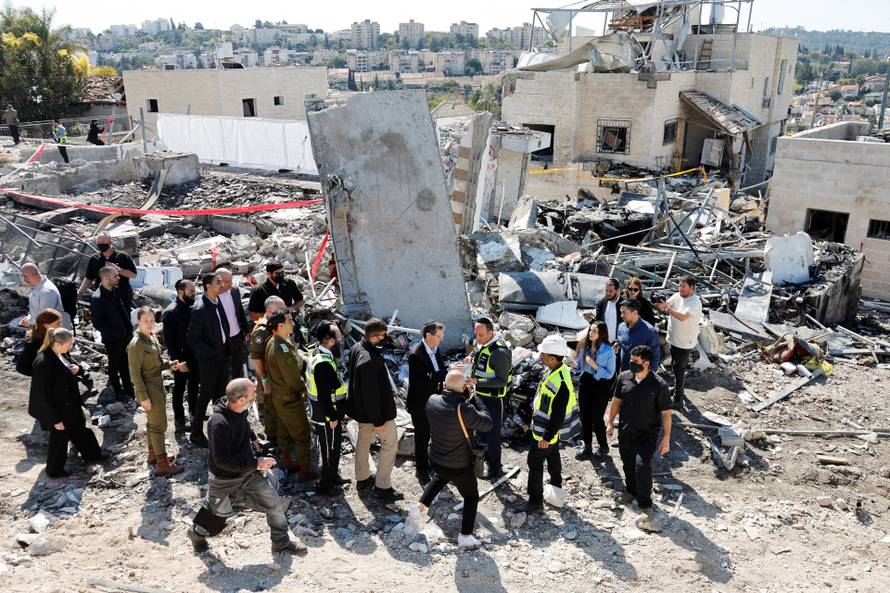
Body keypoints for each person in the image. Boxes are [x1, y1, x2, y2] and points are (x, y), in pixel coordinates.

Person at [187, 378, 306, 556]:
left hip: (248, 473)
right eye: (252, 396)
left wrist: (253, 438)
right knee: (216, 517)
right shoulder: (218, 423)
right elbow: (221, 460)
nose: (255, 398)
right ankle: (196, 535)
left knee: (273, 502)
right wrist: (256, 463)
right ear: (241, 400)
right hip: (224, 480)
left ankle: (281, 542)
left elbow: (244, 424)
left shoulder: (239, 409)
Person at [409, 369, 493, 549]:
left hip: (437, 458)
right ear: (464, 388)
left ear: (445, 386)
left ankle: (418, 509)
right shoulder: (465, 409)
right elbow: (487, 423)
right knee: (471, 497)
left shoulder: (431, 400)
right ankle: (465, 536)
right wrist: (475, 397)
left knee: (439, 478)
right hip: (459, 465)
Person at [606, 345, 671, 532]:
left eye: (636, 361)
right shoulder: (623, 377)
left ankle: (645, 504)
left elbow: (666, 414)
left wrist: (666, 438)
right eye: (631, 360)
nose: (631, 364)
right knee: (627, 463)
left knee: (642, 466)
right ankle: (631, 491)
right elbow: (616, 401)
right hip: (626, 430)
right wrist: (610, 422)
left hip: (648, 433)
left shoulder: (659, 385)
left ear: (646, 363)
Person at [28, 327, 105, 478]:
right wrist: (54, 419)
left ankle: (93, 456)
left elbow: (66, 372)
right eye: (69, 344)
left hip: (70, 405)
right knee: (59, 441)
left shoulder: (61, 354)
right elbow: (41, 395)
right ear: (57, 344)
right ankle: (54, 471)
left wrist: (77, 370)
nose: (71, 347)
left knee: (81, 431)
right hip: (58, 411)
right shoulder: (43, 362)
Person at [518, 335, 580, 514]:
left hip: (545, 432)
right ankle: (556, 486)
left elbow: (558, 415)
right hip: (547, 430)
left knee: (535, 461)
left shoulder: (559, 381)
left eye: (543, 354)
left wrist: (547, 437)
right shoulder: (556, 370)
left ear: (553, 358)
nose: (540, 357)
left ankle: (535, 501)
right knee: (553, 455)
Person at [348, 317, 403, 502]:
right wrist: (379, 421)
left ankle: (363, 479)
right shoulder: (369, 360)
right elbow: (371, 394)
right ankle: (383, 486)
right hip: (377, 414)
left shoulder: (357, 348)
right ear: (373, 337)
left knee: (363, 442)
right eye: (382, 336)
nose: (384, 339)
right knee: (390, 445)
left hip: (362, 413)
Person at [128, 307, 186, 476]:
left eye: (152, 320)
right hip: (148, 387)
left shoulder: (150, 338)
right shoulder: (136, 344)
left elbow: (156, 364)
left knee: (152, 424)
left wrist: (172, 364)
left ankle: (154, 454)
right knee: (159, 425)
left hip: (156, 383)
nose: (149, 324)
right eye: (145, 321)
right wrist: (144, 397)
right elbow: (135, 374)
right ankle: (163, 464)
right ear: (138, 321)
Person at [265, 311, 315, 480]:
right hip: (289, 398)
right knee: (302, 433)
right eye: (289, 321)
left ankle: (287, 461)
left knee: (284, 430)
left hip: (279, 397)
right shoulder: (282, 349)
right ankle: (305, 470)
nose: (293, 323)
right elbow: (292, 377)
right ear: (280, 326)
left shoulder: (273, 342)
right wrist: (304, 388)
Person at [187, 272, 231, 448]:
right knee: (204, 396)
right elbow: (192, 339)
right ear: (207, 286)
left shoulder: (217, 302)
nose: (222, 285)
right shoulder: (200, 309)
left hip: (221, 357)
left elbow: (222, 326)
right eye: (218, 282)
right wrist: (211, 353)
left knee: (221, 396)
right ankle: (196, 433)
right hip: (209, 361)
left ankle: (220, 428)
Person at [465, 317, 512, 480]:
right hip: (480, 396)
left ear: (491, 332)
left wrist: (477, 381)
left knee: (492, 436)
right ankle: (484, 460)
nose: (477, 338)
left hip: (493, 400)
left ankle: (495, 469)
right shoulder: (483, 343)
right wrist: (471, 358)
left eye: (481, 335)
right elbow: (477, 351)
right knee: (481, 432)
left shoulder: (499, 352)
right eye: (476, 334)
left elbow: (501, 380)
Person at [306, 322, 349, 495]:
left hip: (325, 411)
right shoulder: (323, 363)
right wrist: (332, 417)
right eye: (338, 338)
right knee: (330, 448)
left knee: (334, 446)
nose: (339, 341)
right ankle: (325, 486)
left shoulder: (318, 353)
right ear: (330, 340)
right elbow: (324, 395)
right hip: (326, 414)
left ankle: (332, 475)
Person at [406, 321, 447, 485]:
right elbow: (426, 379)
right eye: (439, 337)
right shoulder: (416, 354)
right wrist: (448, 372)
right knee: (422, 437)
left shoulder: (435, 349)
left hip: (435, 400)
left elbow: (439, 372)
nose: (441, 340)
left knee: (434, 434)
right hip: (420, 403)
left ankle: (434, 464)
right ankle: (422, 470)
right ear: (428, 335)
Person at [90, 266, 135, 402]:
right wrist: (113, 332)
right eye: (115, 276)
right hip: (112, 339)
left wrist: (128, 331)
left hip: (124, 335)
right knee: (114, 365)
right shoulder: (97, 298)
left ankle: (128, 388)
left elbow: (122, 311)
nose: (118, 278)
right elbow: (97, 323)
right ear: (105, 278)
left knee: (125, 364)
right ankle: (117, 390)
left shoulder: (115, 291)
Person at [657, 276, 703, 409]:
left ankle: (678, 399)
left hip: (685, 342)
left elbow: (682, 317)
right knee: (675, 366)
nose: (681, 289)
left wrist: (667, 309)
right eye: (680, 286)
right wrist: (661, 303)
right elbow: (668, 303)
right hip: (673, 339)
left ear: (691, 287)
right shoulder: (677, 296)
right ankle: (678, 389)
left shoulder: (695, 302)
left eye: (684, 286)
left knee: (679, 369)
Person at [574, 321, 616, 460]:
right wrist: (575, 368)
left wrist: (595, 366)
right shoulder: (584, 346)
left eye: (594, 331)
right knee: (584, 416)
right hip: (585, 382)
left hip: (600, 385)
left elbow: (610, 374)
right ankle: (587, 447)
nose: (591, 333)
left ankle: (603, 446)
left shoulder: (608, 351)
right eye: (590, 330)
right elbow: (579, 366)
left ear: (601, 334)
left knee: (597, 418)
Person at [248, 296, 287, 444]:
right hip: (268, 375)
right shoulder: (262, 331)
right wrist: (264, 379)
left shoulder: (274, 324)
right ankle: (273, 437)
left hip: (277, 373)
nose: (284, 312)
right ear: (270, 312)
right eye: (280, 310)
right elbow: (256, 358)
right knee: (270, 406)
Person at [162, 279, 199, 432]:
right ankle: (179, 419)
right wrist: (178, 362)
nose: (194, 294)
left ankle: (193, 413)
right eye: (191, 292)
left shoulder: (194, 307)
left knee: (194, 386)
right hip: (180, 358)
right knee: (179, 388)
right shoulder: (171, 312)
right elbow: (169, 341)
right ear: (180, 292)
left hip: (194, 355)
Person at [77, 232, 138, 311]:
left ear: (110, 242)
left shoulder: (122, 256)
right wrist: (80, 292)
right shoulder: (94, 259)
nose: (101, 244)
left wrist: (118, 269)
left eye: (103, 241)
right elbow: (89, 278)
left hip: (122, 297)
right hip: (102, 297)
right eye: (99, 242)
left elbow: (133, 275)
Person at [216, 268, 250, 380]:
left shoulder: (234, 291)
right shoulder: (212, 298)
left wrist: (246, 330)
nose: (230, 284)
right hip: (222, 340)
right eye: (227, 282)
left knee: (237, 364)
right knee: (223, 368)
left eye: (230, 280)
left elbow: (240, 312)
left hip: (237, 336)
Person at [19, 263, 71, 329]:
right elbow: (37, 312)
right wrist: (30, 318)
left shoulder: (47, 291)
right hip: (44, 329)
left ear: (25, 277)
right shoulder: (37, 287)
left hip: (55, 333)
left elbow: (46, 318)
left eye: (23, 276)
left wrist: (29, 322)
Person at [617, 299, 661, 373]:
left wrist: (649, 377)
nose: (621, 315)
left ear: (635, 313)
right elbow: (620, 341)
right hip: (623, 373)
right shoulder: (621, 326)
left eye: (624, 312)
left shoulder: (650, 331)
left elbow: (655, 357)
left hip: (640, 376)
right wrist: (617, 344)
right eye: (621, 312)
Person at [16, 308, 62, 377]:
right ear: (46, 325)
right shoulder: (34, 343)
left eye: (60, 322)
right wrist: (44, 374)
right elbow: (21, 368)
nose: (61, 325)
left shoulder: (57, 336)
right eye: (57, 323)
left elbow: (65, 357)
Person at [594, 278, 622, 343]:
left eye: (611, 291)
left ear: (617, 290)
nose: (608, 293)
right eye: (606, 291)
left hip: (619, 344)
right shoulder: (601, 303)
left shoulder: (624, 304)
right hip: (603, 342)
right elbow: (598, 322)